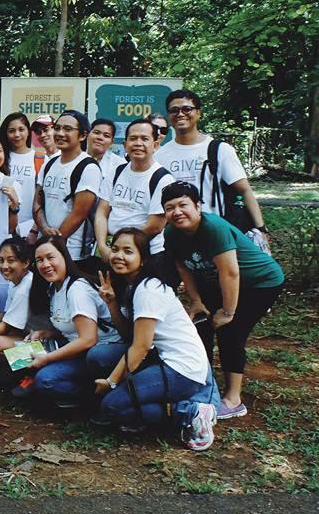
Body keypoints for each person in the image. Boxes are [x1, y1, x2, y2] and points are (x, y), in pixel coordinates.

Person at [161, 181, 285, 420]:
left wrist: (228, 312)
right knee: (201, 325)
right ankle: (202, 384)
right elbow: (183, 267)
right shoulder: (172, 233)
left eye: (183, 205)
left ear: (198, 206)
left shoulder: (214, 228)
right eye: (170, 208)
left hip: (260, 282)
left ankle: (233, 399)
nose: (177, 212)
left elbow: (230, 273)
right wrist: (196, 301)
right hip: (218, 282)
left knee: (231, 331)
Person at [94, 228, 219, 450]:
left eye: (128, 251)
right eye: (115, 249)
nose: (119, 256)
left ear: (143, 259)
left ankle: (191, 411)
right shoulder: (132, 286)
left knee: (111, 406)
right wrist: (111, 303)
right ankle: (170, 404)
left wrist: (111, 382)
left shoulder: (148, 289)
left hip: (182, 367)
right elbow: (130, 337)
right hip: (163, 359)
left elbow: (140, 346)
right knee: (121, 407)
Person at [154, 89, 269, 249]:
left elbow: (244, 190)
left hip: (216, 233)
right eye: (174, 110)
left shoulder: (219, 149)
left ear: (198, 113)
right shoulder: (160, 156)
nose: (180, 114)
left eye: (187, 109)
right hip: (175, 236)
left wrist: (261, 229)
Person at [23, 235, 122, 405]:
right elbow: (72, 326)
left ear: (64, 257)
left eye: (50, 257)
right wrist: (47, 333)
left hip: (102, 350)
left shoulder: (77, 289)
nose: (45, 264)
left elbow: (88, 339)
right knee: (22, 357)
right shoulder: (53, 287)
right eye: (39, 260)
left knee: (46, 380)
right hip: (78, 350)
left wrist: (47, 358)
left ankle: (98, 398)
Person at [94, 119, 175, 259]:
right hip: (110, 250)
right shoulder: (116, 172)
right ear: (125, 145)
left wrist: (121, 247)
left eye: (144, 139)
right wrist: (102, 246)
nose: (138, 143)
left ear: (155, 145)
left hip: (145, 253)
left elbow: (155, 226)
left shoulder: (163, 179)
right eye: (133, 138)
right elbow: (102, 212)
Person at [33, 111, 102, 262]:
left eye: (68, 129)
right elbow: (38, 202)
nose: (60, 133)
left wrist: (54, 242)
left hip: (72, 252)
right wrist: (44, 229)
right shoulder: (49, 163)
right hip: (44, 247)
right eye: (57, 128)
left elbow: (79, 214)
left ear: (82, 135)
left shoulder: (88, 167)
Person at [0, 113, 39, 237]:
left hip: (30, 229)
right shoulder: (0, 158)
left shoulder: (40, 159)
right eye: (11, 131)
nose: (17, 135)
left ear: (28, 131)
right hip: (2, 226)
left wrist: (35, 229)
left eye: (21, 129)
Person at [88, 119, 125, 186]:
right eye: (96, 133)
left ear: (112, 142)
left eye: (106, 136)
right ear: (87, 134)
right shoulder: (74, 157)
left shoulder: (119, 165)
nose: (100, 138)